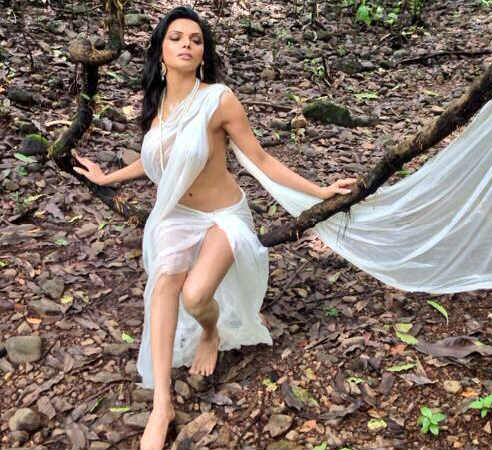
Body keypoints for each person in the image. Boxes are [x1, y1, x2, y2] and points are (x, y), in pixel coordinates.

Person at [73, 6, 356, 449]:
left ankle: (210, 330)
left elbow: (260, 158)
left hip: (223, 217)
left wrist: (319, 191)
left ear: (204, 53)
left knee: (195, 296)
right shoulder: (156, 105)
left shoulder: (219, 99)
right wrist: (108, 177)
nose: (186, 44)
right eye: (176, 38)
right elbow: (156, 161)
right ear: (161, 51)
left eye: (196, 39)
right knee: (164, 283)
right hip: (177, 216)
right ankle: (162, 405)